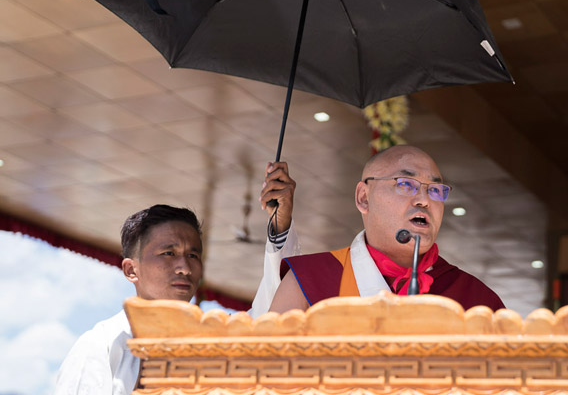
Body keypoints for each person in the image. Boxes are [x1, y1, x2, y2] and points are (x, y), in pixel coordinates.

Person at [54, 163, 297, 394]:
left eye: (193, 255)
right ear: (131, 270)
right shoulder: (102, 345)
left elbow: (274, 314)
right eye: (168, 253)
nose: (184, 267)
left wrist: (280, 223)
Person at [269, 145, 504, 313]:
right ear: (363, 197)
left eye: (435, 190)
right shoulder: (312, 278)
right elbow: (269, 372)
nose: (424, 200)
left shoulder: (475, 300)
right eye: (406, 184)